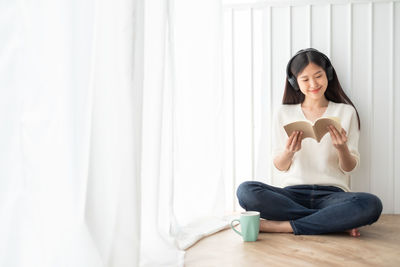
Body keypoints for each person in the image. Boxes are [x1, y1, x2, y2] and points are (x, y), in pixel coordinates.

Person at [236, 48, 382, 237]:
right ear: (294, 82)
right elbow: (280, 166)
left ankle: (282, 226)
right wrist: (289, 152)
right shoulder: (283, 113)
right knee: (246, 191)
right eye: (305, 79)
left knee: (371, 204)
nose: (313, 84)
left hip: (332, 195)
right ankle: (333, 223)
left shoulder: (346, 112)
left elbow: (349, 168)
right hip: (292, 195)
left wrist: (341, 148)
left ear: (328, 75)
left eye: (318, 76)